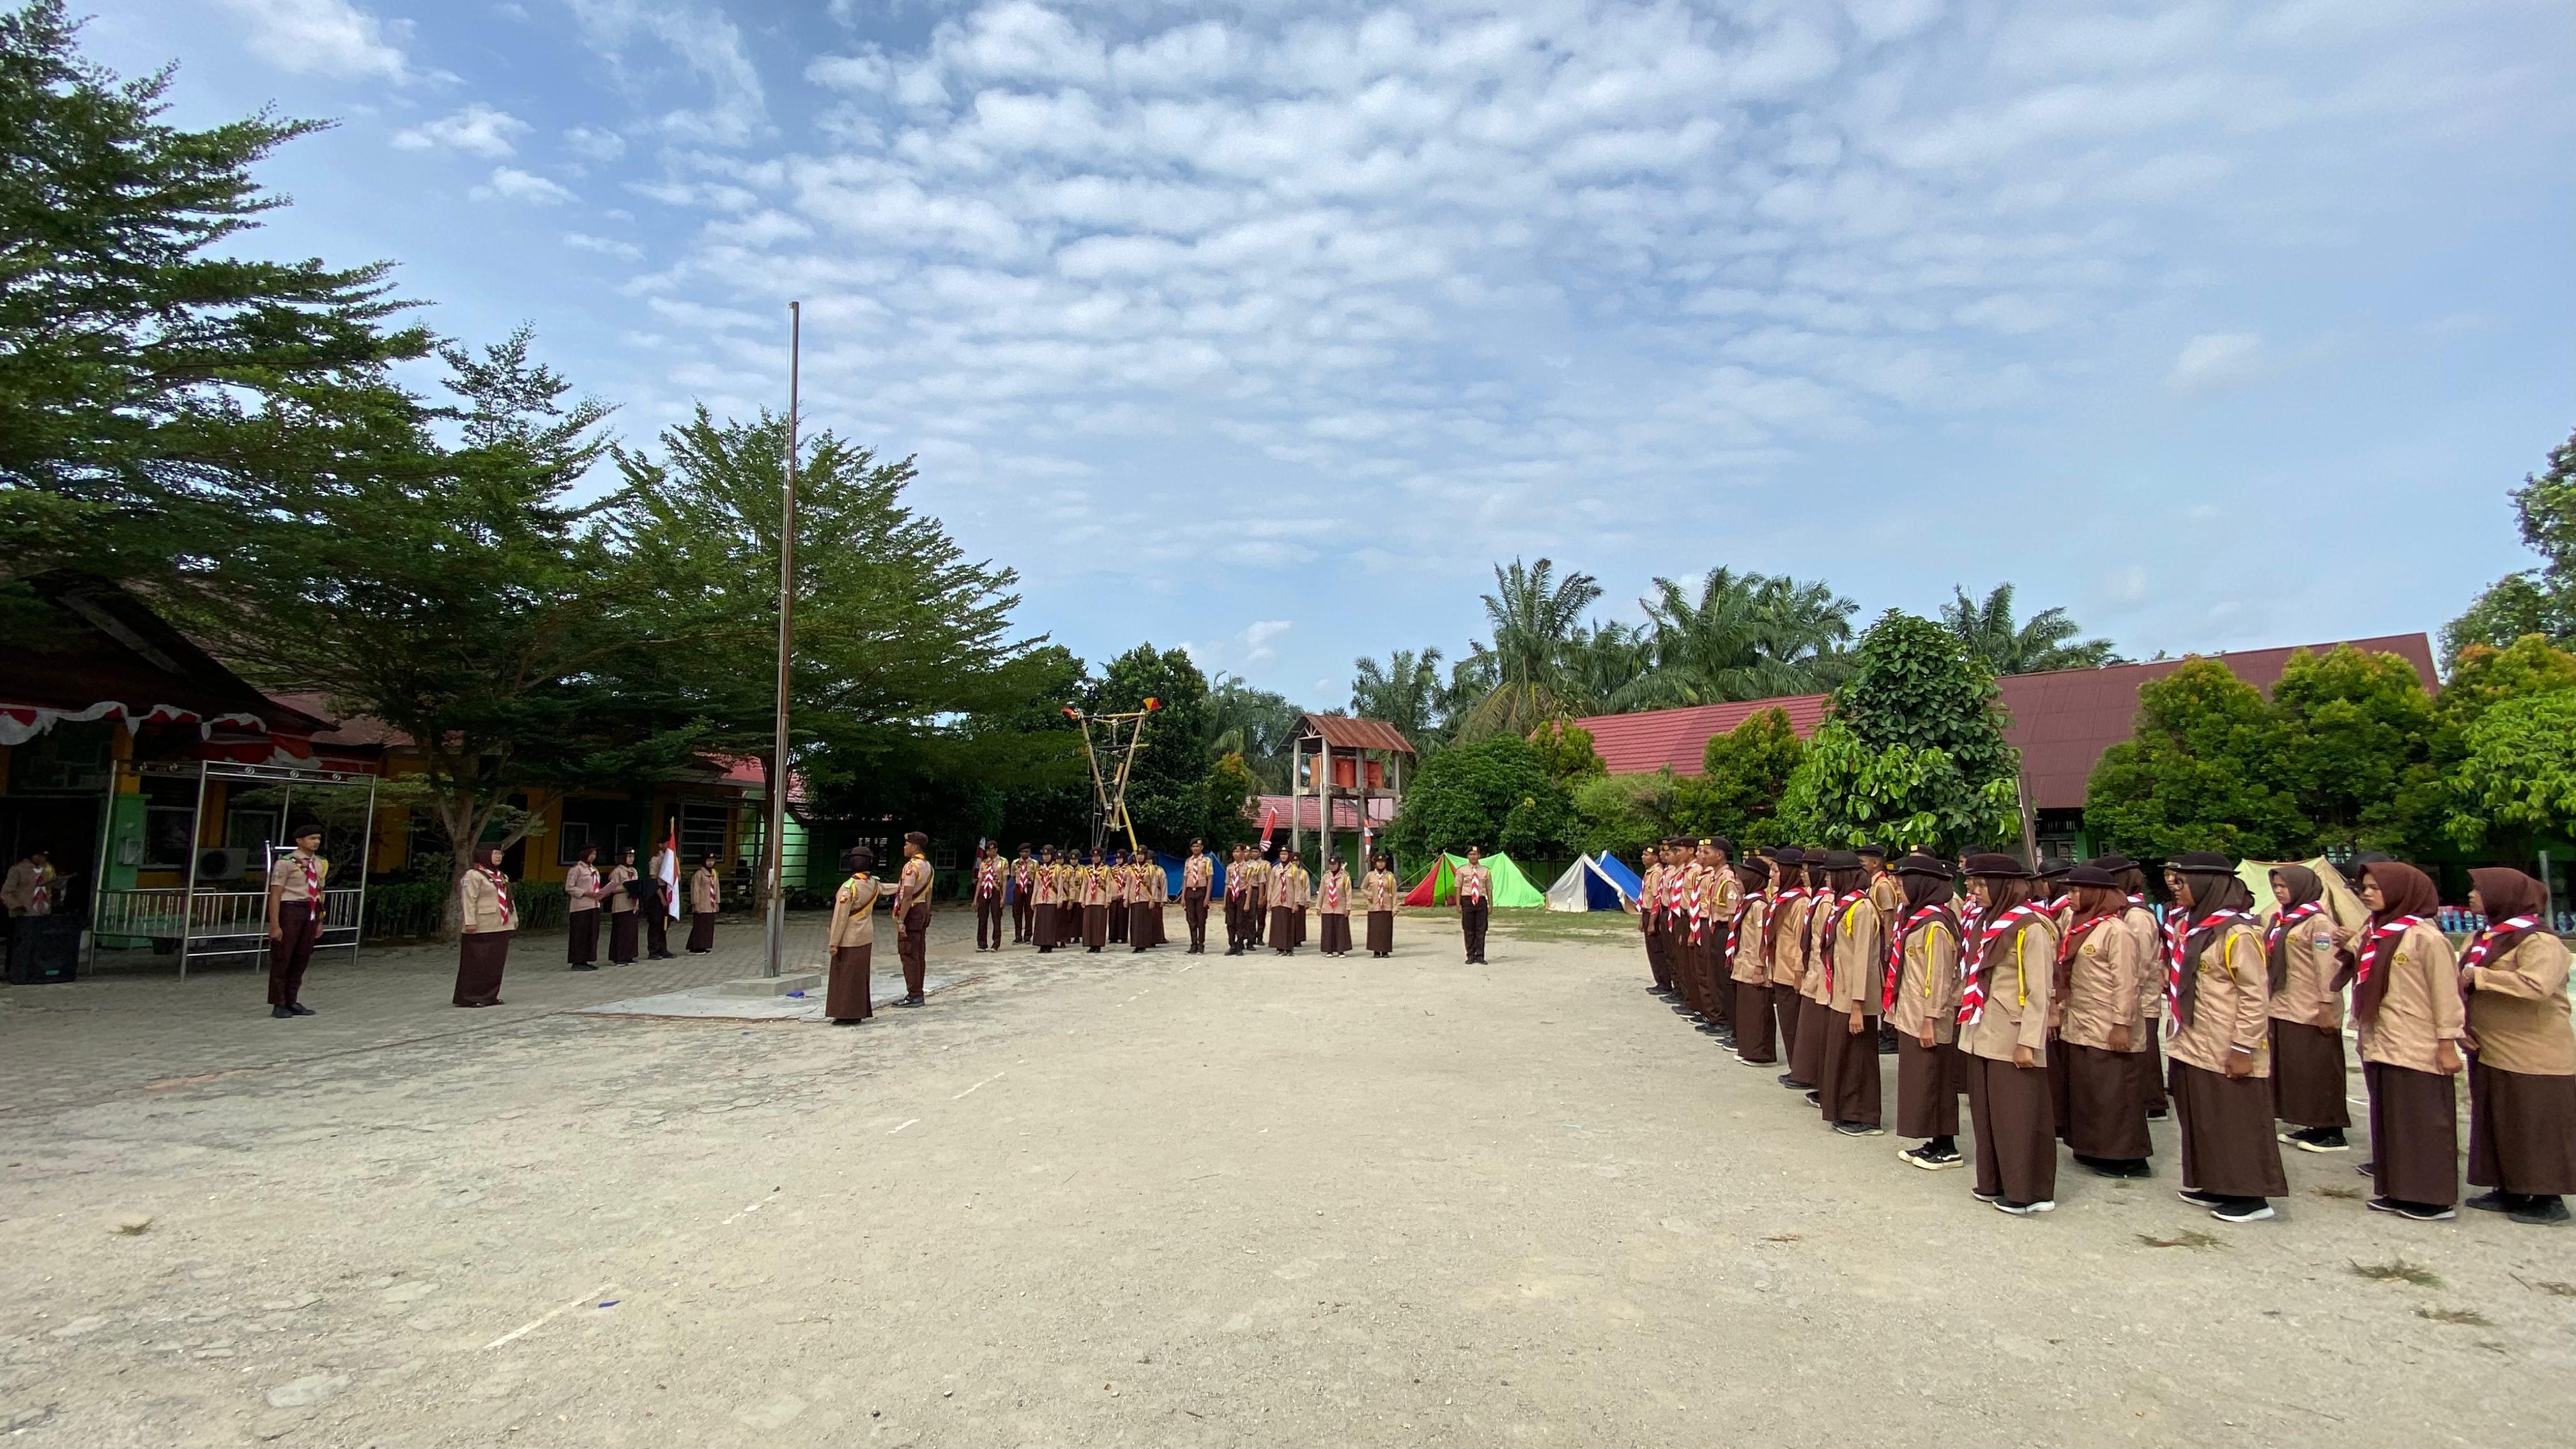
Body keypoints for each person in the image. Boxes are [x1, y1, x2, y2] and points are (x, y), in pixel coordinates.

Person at [2164, 851, 2287, 1223]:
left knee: (2235, 1118)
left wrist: (2243, 1046)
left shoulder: (2237, 933)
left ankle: (2249, 1195)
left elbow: (2254, 994)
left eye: (2183, 882)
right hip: (2194, 1040)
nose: (2176, 888)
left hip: (2225, 1042)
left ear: (2207, 885)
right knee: (2203, 1116)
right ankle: (2215, 1181)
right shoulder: (2197, 927)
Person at [2340, 859, 2462, 1222]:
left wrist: (2447, 1042)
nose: (2367, 894)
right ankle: (2400, 1188)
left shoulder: (2425, 938)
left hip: (2417, 1042)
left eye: (2376, 888)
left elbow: (2446, 994)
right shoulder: (2379, 934)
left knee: (2422, 1119)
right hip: (2383, 1039)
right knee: (2395, 1119)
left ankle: (2432, 1198)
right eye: (2365, 888)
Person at [2459, 867, 2576, 1225]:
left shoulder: (2540, 942)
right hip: (2492, 1046)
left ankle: (2547, 1197)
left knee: (2535, 1123)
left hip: (2534, 1053)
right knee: (2501, 1120)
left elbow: (2536, 985)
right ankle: (2508, 1187)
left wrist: (2480, 975)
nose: (2471, 896)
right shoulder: (2484, 937)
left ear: (2504, 897)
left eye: (2479, 890)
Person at [1956, 854, 2058, 1215]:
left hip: (2012, 1035)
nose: (1974, 891)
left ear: (2004, 886)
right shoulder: (1985, 922)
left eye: (1983, 884)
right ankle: (1994, 1181)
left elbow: (2039, 990)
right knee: (1988, 1115)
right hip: (1981, 1031)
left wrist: (2029, 1042)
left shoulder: (2031, 927)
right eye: (1973, 884)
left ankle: (2028, 1191)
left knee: (2017, 1115)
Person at [2056, 864, 2150, 1177]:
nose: (2070, 897)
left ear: (2095, 894)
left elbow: (2127, 982)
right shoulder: (2080, 926)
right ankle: (2093, 1148)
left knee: (2115, 1093)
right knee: (2090, 1091)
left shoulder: (2116, 931)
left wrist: (2122, 1024)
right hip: (2081, 1022)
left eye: (2075, 891)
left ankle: (2126, 1158)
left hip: (2108, 1024)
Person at [1887, 854, 1963, 1169]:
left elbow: (1940, 977)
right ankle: (1935, 1140)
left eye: (1902, 884)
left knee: (1935, 1079)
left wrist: (1931, 1019)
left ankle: (1947, 1147)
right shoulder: (1916, 918)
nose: (1898, 890)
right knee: (1922, 1080)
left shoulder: (1936, 926)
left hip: (1928, 1018)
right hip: (1912, 1014)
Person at [2265, 864, 2348, 1153]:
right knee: (2298, 1071)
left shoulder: (2319, 923)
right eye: (2276, 886)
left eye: (2284, 886)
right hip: (2283, 1005)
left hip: (2309, 1008)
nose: (2279, 891)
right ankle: (2312, 1123)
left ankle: (2331, 1129)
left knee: (2319, 1069)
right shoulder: (2282, 920)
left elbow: (2328, 967)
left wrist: (2326, 1005)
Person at [1814, 850, 1886, 1137]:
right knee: (1842, 1054)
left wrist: (1858, 1005)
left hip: (1857, 997)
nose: (1827, 880)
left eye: (1831, 874)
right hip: (1841, 992)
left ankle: (1864, 1115)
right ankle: (1846, 1109)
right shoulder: (1843, 905)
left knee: (1859, 1057)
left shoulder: (1862, 908)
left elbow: (1863, 959)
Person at [2094, 854, 2171, 1121]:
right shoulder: (2123, 911)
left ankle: (2153, 1101)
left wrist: (2124, 995)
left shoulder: (2136, 916)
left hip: (2141, 998)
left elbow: (2139, 964)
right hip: (2131, 997)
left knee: (2143, 1053)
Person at [263, 825, 326, 1018]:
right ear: (299, 841)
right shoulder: (285, 863)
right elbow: (275, 894)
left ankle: (292, 999)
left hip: (310, 910)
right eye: (311, 838)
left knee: (302, 956)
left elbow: (319, 892)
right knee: (283, 956)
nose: (316, 842)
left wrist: (320, 920)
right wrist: (275, 924)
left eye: (318, 838)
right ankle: (279, 1002)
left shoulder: (319, 863)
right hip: (290, 909)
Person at [1769, 850, 1818, 1092]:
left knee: (1796, 1024)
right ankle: (1796, 1068)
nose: (1772, 875)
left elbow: (1802, 941)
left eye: (1776, 871)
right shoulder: (1783, 899)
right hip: (1781, 969)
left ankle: (1804, 1072)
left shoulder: (1799, 903)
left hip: (1791, 972)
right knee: (1788, 1024)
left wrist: (1799, 972)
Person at [1726, 854, 1776, 1066]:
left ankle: (1761, 1053)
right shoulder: (1748, 901)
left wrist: (1758, 968)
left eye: (1740, 879)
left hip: (1754, 967)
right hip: (1743, 964)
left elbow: (1762, 939)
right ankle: (1748, 1049)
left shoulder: (1759, 905)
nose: (1737, 883)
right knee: (1747, 1009)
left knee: (1758, 1010)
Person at [825, 847, 882, 1024]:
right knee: (860, 976)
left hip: (849, 938)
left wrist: (833, 943)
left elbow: (840, 918)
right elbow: (889, 888)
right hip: (866, 936)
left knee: (845, 977)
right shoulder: (873, 883)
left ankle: (845, 1014)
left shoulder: (849, 887)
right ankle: (858, 1011)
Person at [454, 844, 514, 1008]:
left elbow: (509, 899)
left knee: (495, 963)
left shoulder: (501, 876)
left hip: (500, 924)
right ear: (485, 855)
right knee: (477, 962)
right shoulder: (473, 875)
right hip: (481, 925)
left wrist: (513, 919)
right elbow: (469, 899)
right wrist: (470, 921)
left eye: (500, 853)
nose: (499, 856)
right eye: (495, 853)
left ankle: (490, 995)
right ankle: (471, 997)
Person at [893, 831, 934, 1006]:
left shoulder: (911, 867)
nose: (905, 847)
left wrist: (901, 920)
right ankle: (918, 991)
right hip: (922, 909)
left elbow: (907, 895)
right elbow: (929, 892)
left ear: (915, 847)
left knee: (908, 953)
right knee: (919, 953)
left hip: (912, 911)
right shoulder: (928, 866)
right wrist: (928, 912)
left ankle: (914, 994)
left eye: (907, 845)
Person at [1636, 844, 1671, 995]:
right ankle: (1660, 981)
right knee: (1651, 950)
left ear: (1655, 858)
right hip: (1647, 912)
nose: (1643, 857)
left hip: (1653, 915)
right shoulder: (1650, 872)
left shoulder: (1657, 873)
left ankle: (1664, 983)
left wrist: (1651, 922)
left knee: (1657, 950)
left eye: (1646, 855)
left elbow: (1657, 898)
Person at [565, 844, 604, 971]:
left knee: (591, 934)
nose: (593, 857)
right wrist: (586, 893)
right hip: (581, 907)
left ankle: (586, 959)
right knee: (579, 934)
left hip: (594, 905)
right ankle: (577, 961)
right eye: (591, 854)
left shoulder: (594, 869)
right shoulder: (576, 869)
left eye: (595, 854)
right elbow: (569, 887)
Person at [1455, 846, 1493, 964]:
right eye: (1471, 854)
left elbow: (1489, 888)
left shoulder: (1486, 871)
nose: (1473, 856)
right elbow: (1458, 888)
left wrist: (1491, 905)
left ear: (1479, 856)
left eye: (1475, 854)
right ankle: (1470, 955)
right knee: (1468, 929)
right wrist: (1458, 904)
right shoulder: (1462, 870)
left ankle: (1480, 955)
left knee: (1481, 929)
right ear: (1467, 856)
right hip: (1467, 900)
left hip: (1481, 901)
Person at [605, 848, 641, 965]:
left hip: (633, 904)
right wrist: (627, 887)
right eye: (629, 857)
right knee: (621, 931)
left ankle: (629, 955)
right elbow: (612, 889)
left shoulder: (634, 871)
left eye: (633, 857)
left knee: (631, 931)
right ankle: (619, 956)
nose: (631, 859)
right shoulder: (617, 871)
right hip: (621, 904)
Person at [1269, 849, 1307, 956]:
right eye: (1282, 854)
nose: (1283, 856)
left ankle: (1289, 948)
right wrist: (1269, 901)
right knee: (1278, 924)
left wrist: (1296, 902)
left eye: (1285, 854)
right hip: (1277, 900)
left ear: (1289, 855)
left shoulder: (1294, 869)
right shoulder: (1275, 869)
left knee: (1289, 924)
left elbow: (1298, 887)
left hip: (1289, 901)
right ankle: (1279, 948)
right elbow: (1271, 886)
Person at [644, 840, 677, 960]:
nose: (669, 846)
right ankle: (653, 949)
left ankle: (663, 948)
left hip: (668, 890)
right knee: (656, 922)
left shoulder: (672, 860)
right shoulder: (656, 860)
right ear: (661, 845)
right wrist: (662, 898)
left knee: (665, 921)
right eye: (667, 843)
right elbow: (653, 881)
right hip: (657, 892)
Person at [1182, 839, 1215, 953]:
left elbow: (1210, 879)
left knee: (1201, 919)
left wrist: (1207, 897)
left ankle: (1201, 944)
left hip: (1201, 891)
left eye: (1198, 846)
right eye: (1194, 846)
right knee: (1191, 919)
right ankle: (1193, 944)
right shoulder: (1188, 861)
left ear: (1202, 847)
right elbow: (1185, 879)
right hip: (1190, 891)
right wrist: (1183, 896)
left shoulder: (1207, 861)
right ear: (1191, 848)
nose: (1196, 848)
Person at [1363, 852, 1399, 957]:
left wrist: (1395, 907)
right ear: (1375, 863)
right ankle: (1376, 950)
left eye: (1383, 862)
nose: (1381, 864)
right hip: (1374, 906)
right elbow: (1363, 888)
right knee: (1375, 930)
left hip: (1386, 906)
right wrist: (1369, 895)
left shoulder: (1390, 876)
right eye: (1378, 862)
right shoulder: (1370, 876)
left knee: (1385, 929)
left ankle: (1385, 950)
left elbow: (1394, 893)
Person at [1318, 854, 1354, 956]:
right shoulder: (1326, 876)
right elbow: (1321, 892)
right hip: (1327, 907)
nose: (1332, 866)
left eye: (1334, 864)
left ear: (1339, 864)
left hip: (1340, 907)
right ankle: (1329, 950)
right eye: (1331, 864)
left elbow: (1348, 893)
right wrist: (1318, 906)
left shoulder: (1345, 877)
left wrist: (1348, 907)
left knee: (1341, 929)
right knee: (1328, 929)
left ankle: (1341, 950)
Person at [686, 850, 721, 954]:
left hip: (711, 904)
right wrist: (695, 903)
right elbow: (695, 889)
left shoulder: (714, 873)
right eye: (708, 861)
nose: (710, 863)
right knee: (700, 926)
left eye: (712, 860)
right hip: (701, 904)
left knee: (708, 926)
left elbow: (717, 889)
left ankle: (704, 945)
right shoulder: (699, 874)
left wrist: (717, 902)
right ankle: (697, 947)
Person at [975, 843, 1007, 953]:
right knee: (982, 917)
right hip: (984, 890)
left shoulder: (1003, 862)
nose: (989, 852)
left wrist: (1003, 897)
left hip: (996, 890)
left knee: (996, 917)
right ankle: (982, 944)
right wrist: (976, 898)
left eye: (991, 850)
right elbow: (980, 881)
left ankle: (996, 944)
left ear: (996, 850)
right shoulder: (984, 863)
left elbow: (1004, 881)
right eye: (987, 850)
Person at [1032, 845, 1064, 954]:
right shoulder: (1040, 869)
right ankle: (1041, 944)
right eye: (1044, 855)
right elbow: (1036, 885)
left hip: (1052, 898)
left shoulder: (1057, 868)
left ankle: (1049, 944)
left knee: (1050, 922)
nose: (1046, 857)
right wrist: (1033, 900)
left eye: (1048, 855)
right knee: (1041, 923)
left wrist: (1060, 899)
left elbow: (1060, 885)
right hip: (1041, 898)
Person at [1080, 847, 1110, 953]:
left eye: (1097, 856)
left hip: (1101, 899)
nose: (1095, 858)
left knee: (1099, 923)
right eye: (1094, 856)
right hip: (1089, 900)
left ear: (1101, 857)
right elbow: (1084, 885)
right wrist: (1082, 899)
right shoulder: (1087, 869)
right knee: (1089, 923)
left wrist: (1108, 900)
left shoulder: (1106, 869)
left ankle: (1098, 945)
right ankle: (1091, 944)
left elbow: (1109, 885)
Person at [1127, 847, 1156, 952]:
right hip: (1134, 898)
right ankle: (1136, 943)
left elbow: (1153, 884)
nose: (1140, 857)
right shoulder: (1131, 868)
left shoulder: (1150, 868)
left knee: (1144, 922)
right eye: (1138, 855)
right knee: (1135, 922)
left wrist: (1153, 899)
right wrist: (1126, 898)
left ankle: (1143, 944)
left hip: (1145, 898)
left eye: (1142, 855)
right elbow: (1128, 884)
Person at [1011, 843, 1037, 944]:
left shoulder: (1034, 863)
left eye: (1026, 852)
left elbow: (1038, 877)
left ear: (1029, 852)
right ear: (1019, 853)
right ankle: (1018, 936)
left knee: (1029, 912)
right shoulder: (1015, 863)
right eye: (1022, 852)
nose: (1024, 854)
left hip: (1029, 887)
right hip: (1018, 887)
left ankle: (1028, 936)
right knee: (1017, 912)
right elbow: (1013, 876)